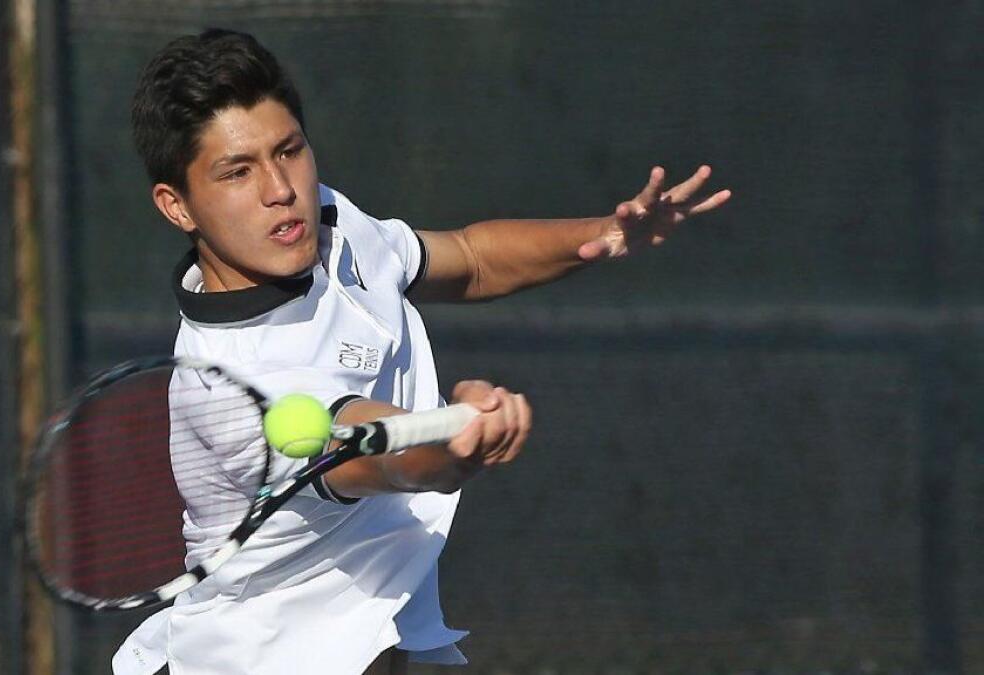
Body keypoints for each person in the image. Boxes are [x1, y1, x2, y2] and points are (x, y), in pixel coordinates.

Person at [113, 28, 730, 675]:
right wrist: (452, 446)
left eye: (289, 151)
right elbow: (380, 456)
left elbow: (467, 257)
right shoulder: (229, 384)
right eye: (238, 172)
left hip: (372, 638)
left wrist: (605, 233)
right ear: (176, 205)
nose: (278, 187)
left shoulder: (324, 221)